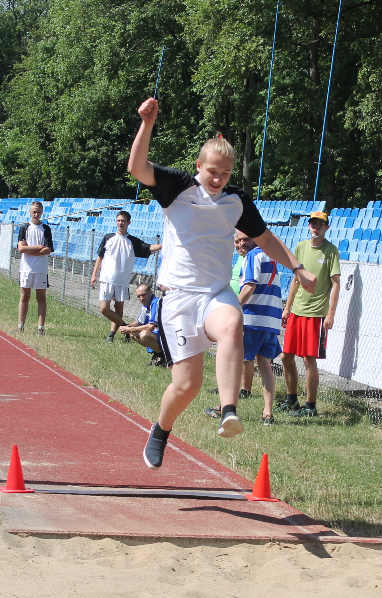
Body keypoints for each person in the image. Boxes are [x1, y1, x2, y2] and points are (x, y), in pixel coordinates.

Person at [127, 96, 316, 469]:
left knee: (233, 324)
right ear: (199, 165)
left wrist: (297, 268)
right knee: (187, 387)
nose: (218, 180)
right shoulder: (177, 187)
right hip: (179, 297)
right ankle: (161, 430)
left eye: (226, 174)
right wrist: (147, 124)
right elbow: (137, 167)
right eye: (212, 171)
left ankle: (229, 408)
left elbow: (265, 239)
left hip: (215, 291)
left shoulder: (236, 201)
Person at [205, 231, 282, 425]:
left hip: (253, 319)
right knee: (265, 366)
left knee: (234, 363)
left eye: (245, 239)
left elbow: (249, 285)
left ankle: (225, 408)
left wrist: (234, 308)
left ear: (255, 238)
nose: (241, 244)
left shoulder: (252, 256)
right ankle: (267, 413)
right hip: (270, 321)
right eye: (237, 241)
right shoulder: (270, 256)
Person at [276, 211, 341, 417]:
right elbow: (296, 279)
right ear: (309, 225)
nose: (316, 227)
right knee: (286, 356)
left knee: (308, 360)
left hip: (316, 314)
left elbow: (336, 283)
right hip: (297, 311)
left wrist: (330, 314)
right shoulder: (301, 247)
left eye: (320, 224)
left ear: (326, 228)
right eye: (313, 223)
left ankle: (310, 406)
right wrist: (287, 307)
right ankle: (291, 399)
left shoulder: (331, 251)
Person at [90, 210, 161, 342]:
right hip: (106, 278)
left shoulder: (132, 241)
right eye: (118, 220)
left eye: (123, 221)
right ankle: (125, 327)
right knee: (104, 308)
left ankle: (111, 334)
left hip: (122, 280)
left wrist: (165, 245)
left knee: (118, 308)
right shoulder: (108, 238)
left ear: (128, 222)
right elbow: (100, 257)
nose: (120, 223)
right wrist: (94, 274)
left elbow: (149, 247)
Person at [17, 201, 53, 335]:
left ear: (42, 212)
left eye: (38, 212)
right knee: (25, 296)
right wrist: (38, 247)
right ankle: (21, 325)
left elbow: (48, 250)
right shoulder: (24, 228)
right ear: (30, 212)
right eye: (34, 212)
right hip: (26, 267)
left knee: (41, 297)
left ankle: (40, 327)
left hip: (41, 268)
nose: (36, 214)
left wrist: (29, 250)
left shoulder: (46, 229)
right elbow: (21, 248)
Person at [118, 283, 164, 365]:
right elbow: (139, 322)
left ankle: (163, 356)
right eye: (139, 296)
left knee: (144, 335)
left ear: (150, 292)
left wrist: (129, 329)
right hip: (158, 335)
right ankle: (158, 354)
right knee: (133, 334)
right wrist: (126, 327)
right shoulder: (146, 305)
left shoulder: (156, 303)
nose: (141, 298)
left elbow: (151, 327)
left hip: (167, 337)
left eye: (143, 295)